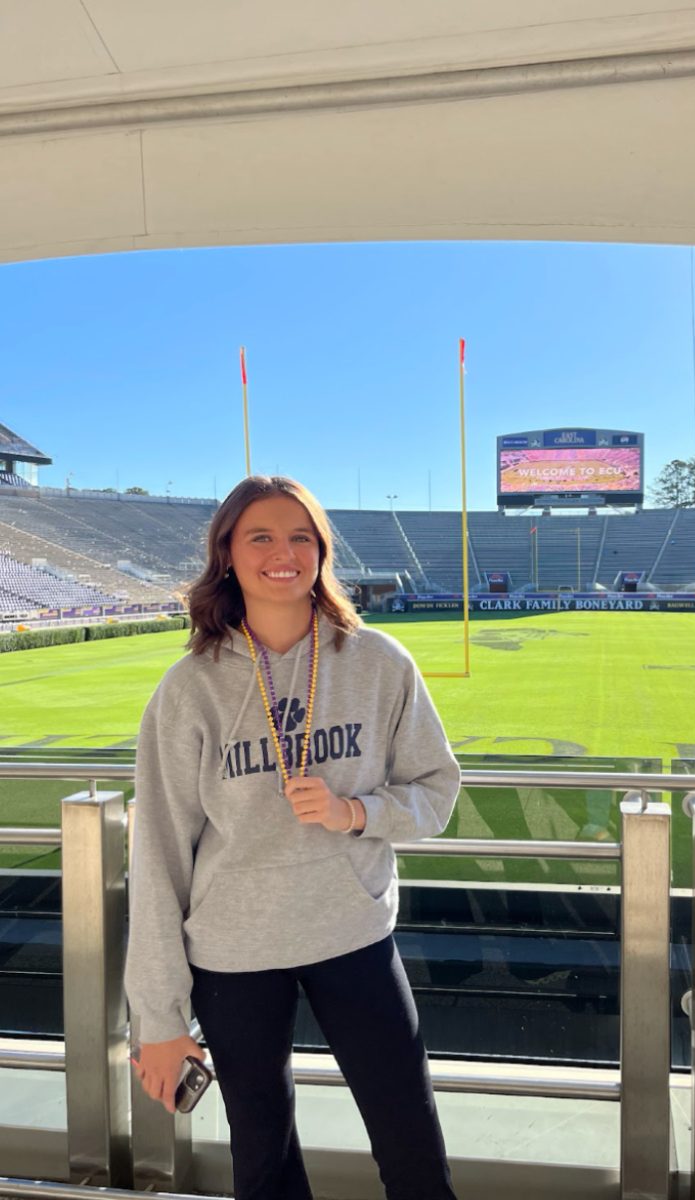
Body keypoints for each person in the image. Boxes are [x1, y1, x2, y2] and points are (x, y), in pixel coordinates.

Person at [125, 475, 460, 1200]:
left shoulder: (379, 663)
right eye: (261, 537)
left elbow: (438, 789)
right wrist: (158, 1016)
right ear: (227, 555)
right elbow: (155, 854)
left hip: (353, 931)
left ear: (322, 552)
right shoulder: (189, 689)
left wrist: (356, 813)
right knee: (265, 1159)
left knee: (411, 1141)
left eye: (301, 536)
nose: (284, 552)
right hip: (234, 953)